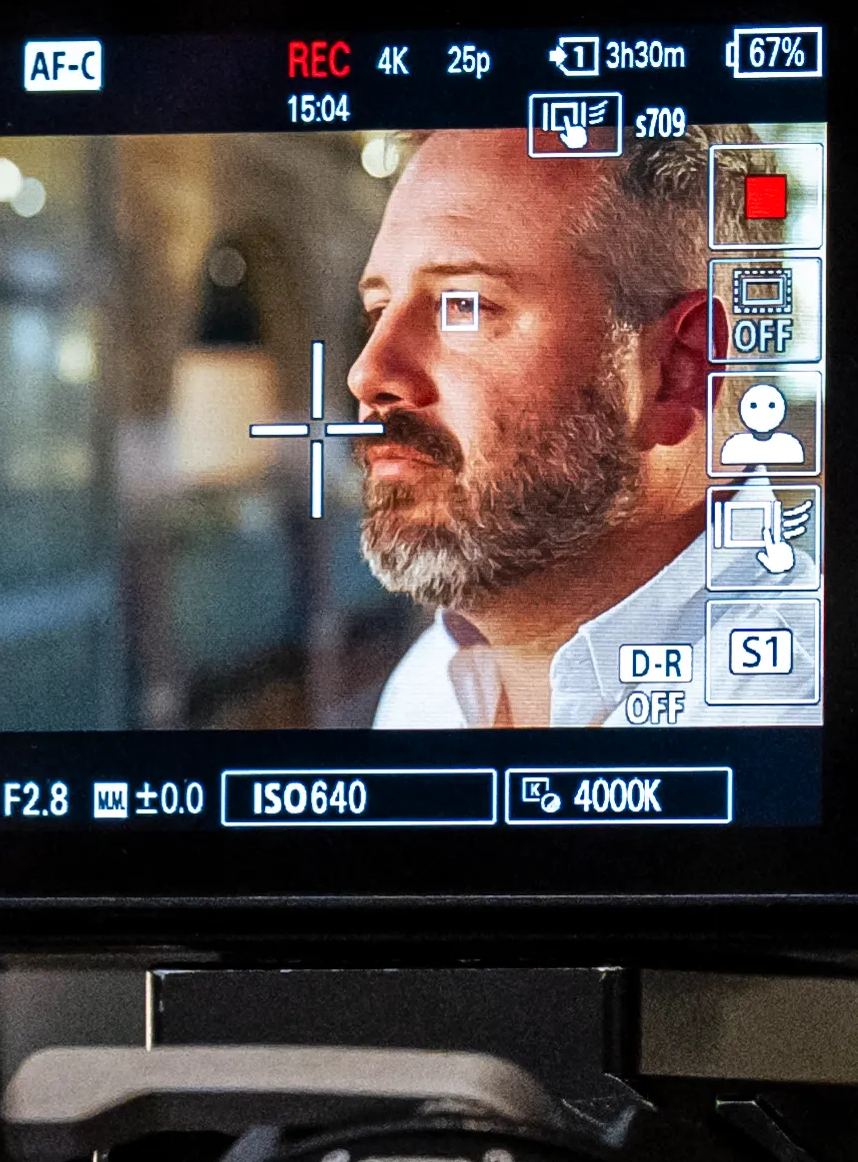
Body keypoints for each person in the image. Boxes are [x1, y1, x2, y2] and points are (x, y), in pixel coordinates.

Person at [341, 121, 806, 730]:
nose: (367, 372)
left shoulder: (792, 723)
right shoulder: (426, 688)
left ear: (677, 369)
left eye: (465, 305)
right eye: (379, 309)